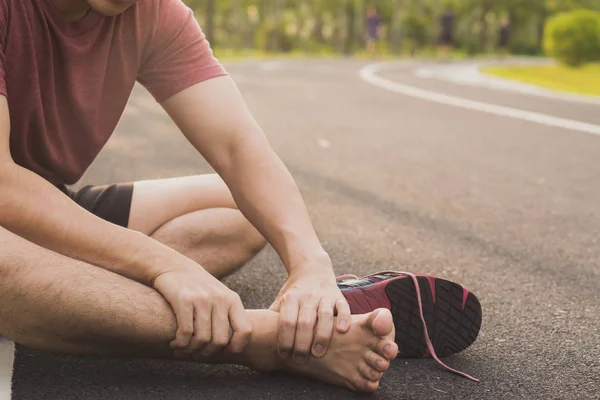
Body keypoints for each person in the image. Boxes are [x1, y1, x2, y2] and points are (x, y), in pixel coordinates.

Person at [0, 0, 479, 391]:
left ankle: (74, 298)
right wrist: (160, 263)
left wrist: (310, 265)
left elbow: (238, 148)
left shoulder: (153, 13)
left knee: (244, 211)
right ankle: (265, 338)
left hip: (48, 200)